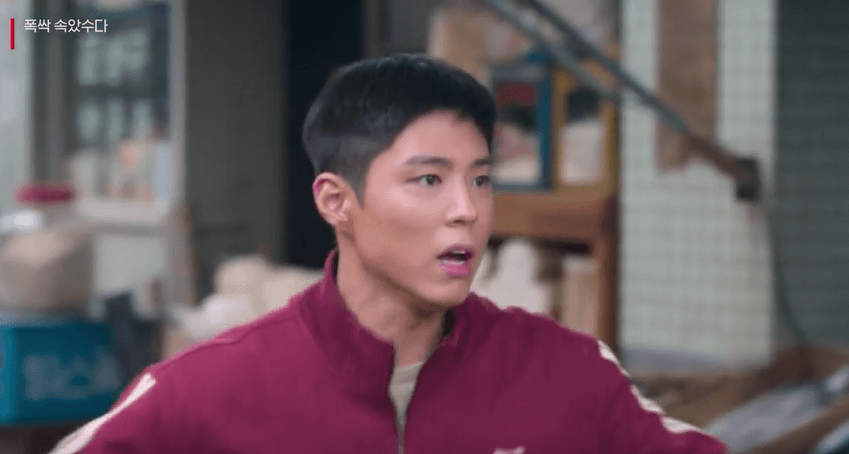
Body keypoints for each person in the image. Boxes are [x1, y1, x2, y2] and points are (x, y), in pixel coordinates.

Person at [51, 54, 727, 454]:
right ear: (336, 202)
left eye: (481, 179)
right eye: (429, 180)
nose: (467, 209)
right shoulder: (203, 395)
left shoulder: (567, 373)